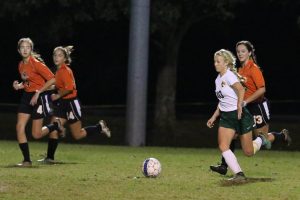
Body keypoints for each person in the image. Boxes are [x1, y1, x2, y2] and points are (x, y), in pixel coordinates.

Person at [210, 41, 292, 175]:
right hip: (243, 107)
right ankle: (225, 165)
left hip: (257, 106)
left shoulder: (254, 68)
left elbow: (262, 89)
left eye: (243, 51)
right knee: (232, 135)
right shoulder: (238, 70)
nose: (240, 54)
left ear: (249, 52)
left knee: (263, 139)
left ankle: (281, 136)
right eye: (238, 51)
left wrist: (245, 101)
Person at [38, 46, 111, 164]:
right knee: (53, 127)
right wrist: (42, 89)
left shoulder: (65, 71)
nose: (56, 58)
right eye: (55, 55)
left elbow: (69, 89)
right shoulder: (58, 71)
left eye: (60, 55)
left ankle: (99, 127)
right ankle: (50, 158)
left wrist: (57, 96)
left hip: (72, 103)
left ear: (65, 58)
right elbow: (57, 86)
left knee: (77, 135)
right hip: (63, 104)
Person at [207, 49, 270, 181]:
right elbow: (222, 101)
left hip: (239, 114)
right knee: (223, 146)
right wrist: (214, 116)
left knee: (248, 152)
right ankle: (239, 174)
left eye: (218, 61)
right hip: (226, 117)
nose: (215, 64)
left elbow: (241, 90)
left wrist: (239, 106)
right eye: (214, 61)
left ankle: (261, 139)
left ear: (226, 63)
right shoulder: (218, 79)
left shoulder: (229, 76)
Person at [13, 37, 62, 167]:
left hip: (39, 97)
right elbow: (30, 82)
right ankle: (27, 161)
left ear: (31, 49)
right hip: (27, 97)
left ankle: (55, 126)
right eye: (22, 47)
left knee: (36, 134)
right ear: (19, 50)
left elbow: (53, 79)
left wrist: (38, 92)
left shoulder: (36, 63)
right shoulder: (21, 65)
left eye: (27, 47)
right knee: (19, 127)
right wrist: (20, 85)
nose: (25, 49)